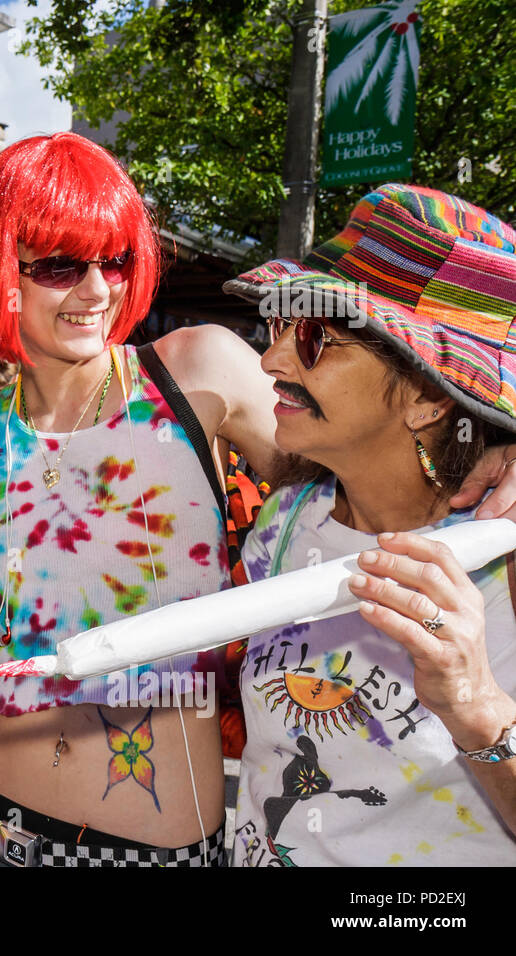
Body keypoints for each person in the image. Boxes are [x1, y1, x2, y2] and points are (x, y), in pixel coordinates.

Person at [0, 133, 516, 867]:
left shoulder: (195, 374)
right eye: (58, 265)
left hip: (145, 854)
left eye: (113, 260)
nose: (97, 289)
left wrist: (496, 439)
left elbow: (380, 441)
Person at [223, 184, 516, 866]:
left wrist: (475, 707)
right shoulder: (283, 523)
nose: (270, 362)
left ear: (427, 397)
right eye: (279, 327)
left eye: (314, 338)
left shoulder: (501, 560)